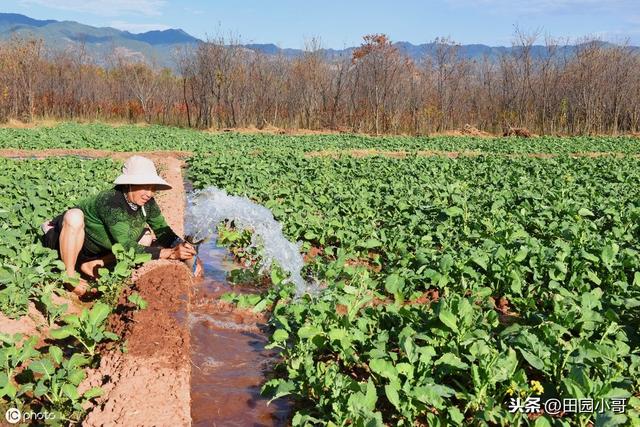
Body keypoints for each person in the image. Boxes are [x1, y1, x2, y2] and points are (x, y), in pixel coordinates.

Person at [41, 155, 197, 296]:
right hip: (71, 246)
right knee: (74, 216)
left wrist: (184, 248)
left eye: (152, 188)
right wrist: (170, 253)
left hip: (99, 252)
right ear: (129, 184)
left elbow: (164, 232)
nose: (149, 193)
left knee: (146, 236)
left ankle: (95, 264)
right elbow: (126, 246)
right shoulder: (111, 202)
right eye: (144, 186)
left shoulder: (147, 203)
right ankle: (69, 276)